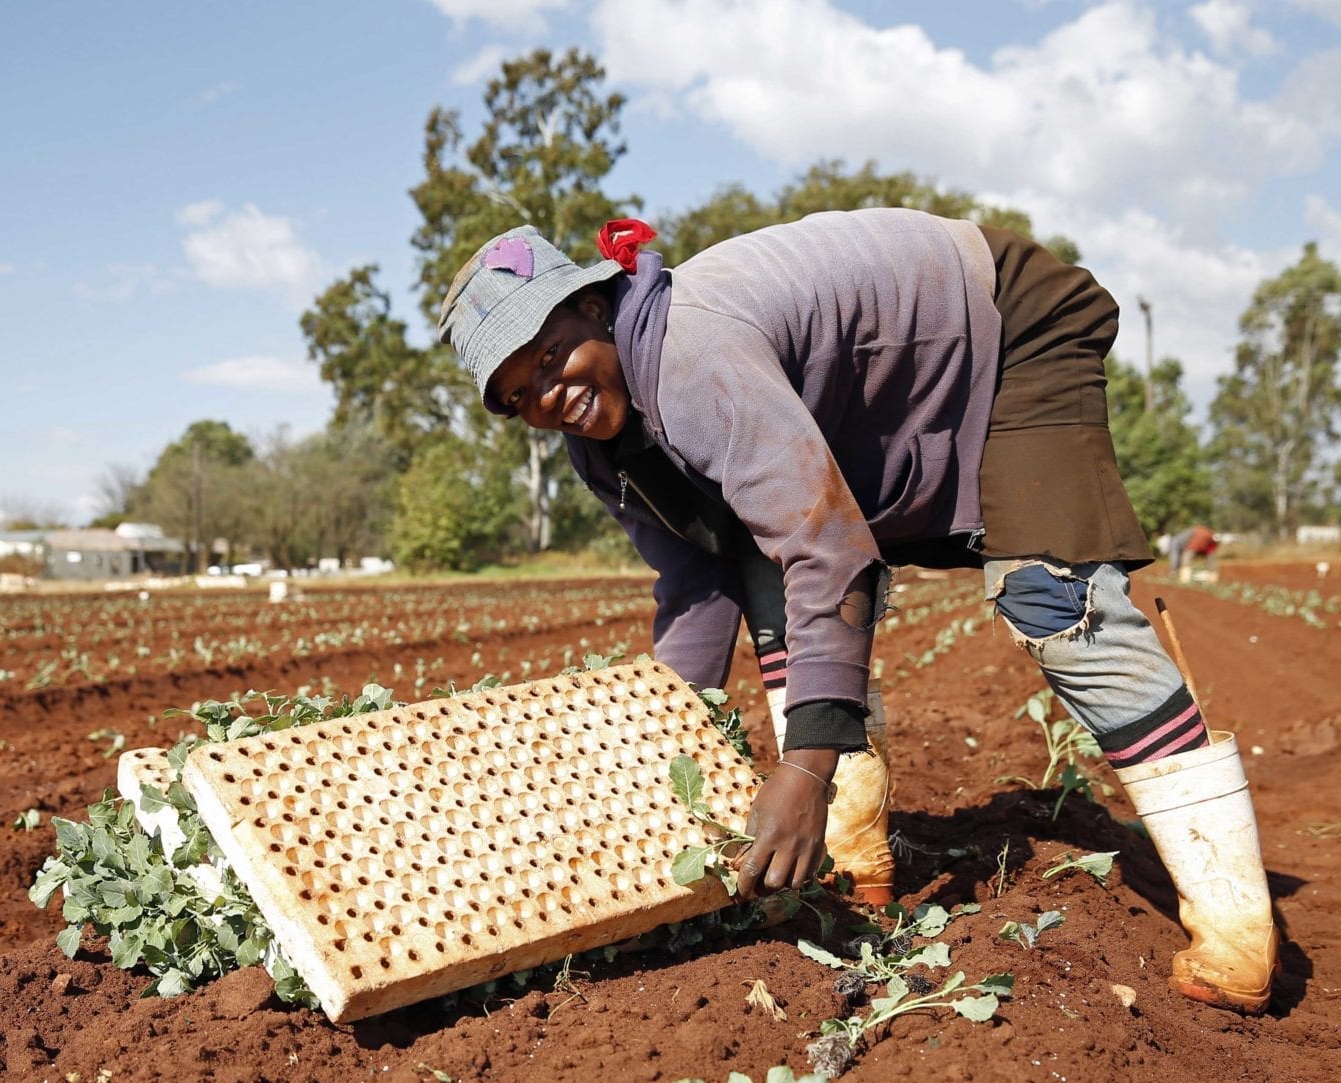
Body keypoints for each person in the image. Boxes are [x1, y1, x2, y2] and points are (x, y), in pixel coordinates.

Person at [436, 210, 1278, 1014]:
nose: (549, 396)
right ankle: (853, 865)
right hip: (881, 407)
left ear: (593, 306)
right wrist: (659, 769)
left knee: (1053, 597)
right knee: (764, 570)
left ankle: (1238, 930)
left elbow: (829, 551)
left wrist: (802, 773)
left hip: (1005, 327)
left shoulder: (690, 355)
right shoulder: (604, 444)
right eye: (521, 397)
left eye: (550, 358)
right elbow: (697, 588)